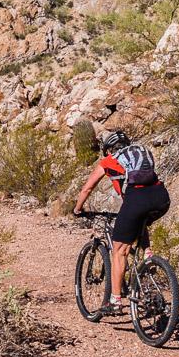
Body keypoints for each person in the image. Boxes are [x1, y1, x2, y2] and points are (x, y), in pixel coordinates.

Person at [72, 130, 170, 314]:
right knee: (141, 219)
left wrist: (77, 209)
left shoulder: (110, 160)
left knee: (119, 250)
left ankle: (115, 302)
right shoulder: (142, 151)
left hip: (137, 200)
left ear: (109, 149)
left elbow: (87, 188)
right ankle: (148, 255)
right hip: (162, 197)